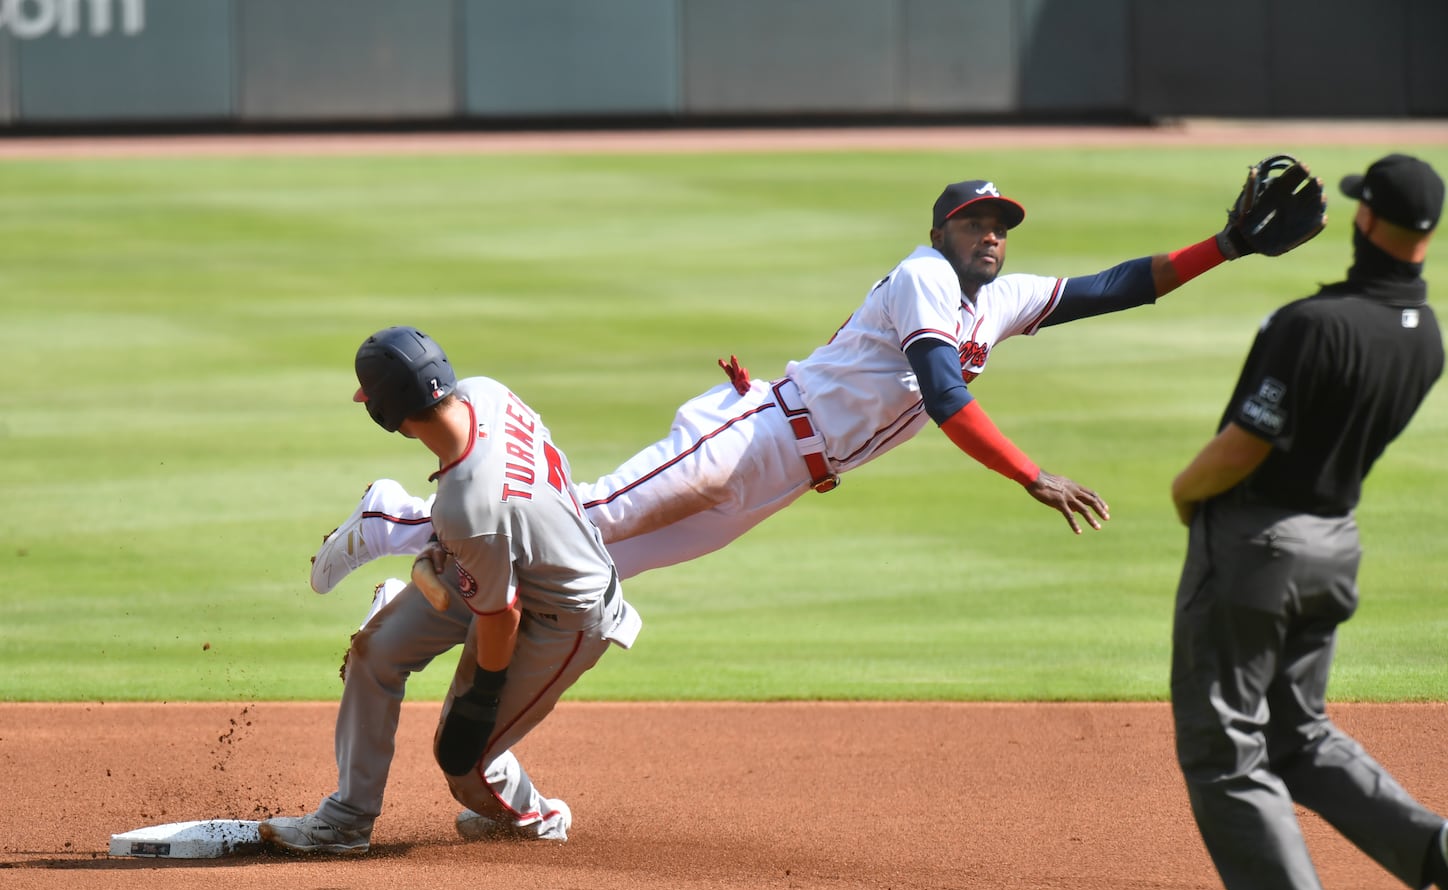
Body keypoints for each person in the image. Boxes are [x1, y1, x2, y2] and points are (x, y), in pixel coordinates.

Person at [308, 166, 1326, 593]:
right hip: (753, 430)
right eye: (976, 221)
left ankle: (439, 574)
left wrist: (1225, 246)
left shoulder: (999, 297)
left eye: (1000, 225)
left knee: (583, 567)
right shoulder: (925, 277)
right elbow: (943, 394)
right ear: (940, 232)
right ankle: (395, 515)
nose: (990, 235)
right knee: (575, 522)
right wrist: (1030, 475)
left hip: (785, 477)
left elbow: (1116, 288)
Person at [1168, 153, 1447, 890]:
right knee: (1298, 734)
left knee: (1223, 744)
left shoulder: (1310, 324)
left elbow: (1244, 445)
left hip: (1260, 545)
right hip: (1336, 542)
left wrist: (1186, 493)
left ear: (1366, 222)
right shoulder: (1426, 335)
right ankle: (1438, 851)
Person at [261, 325, 642, 856]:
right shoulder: (486, 391)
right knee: (375, 652)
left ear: (387, 411)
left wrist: (481, 699)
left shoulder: (469, 508)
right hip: (500, 557)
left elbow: (501, 617)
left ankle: (539, 819)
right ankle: (347, 820)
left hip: (565, 614)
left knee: (464, 765)